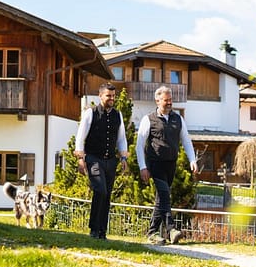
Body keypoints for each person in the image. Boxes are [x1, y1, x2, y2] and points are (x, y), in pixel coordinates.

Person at [136, 85, 198, 244]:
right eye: (166, 100)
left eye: (171, 100)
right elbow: (139, 144)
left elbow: (186, 139)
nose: (169, 102)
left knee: (161, 199)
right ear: (157, 100)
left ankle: (152, 232)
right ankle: (171, 229)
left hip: (171, 164)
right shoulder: (148, 119)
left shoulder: (178, 119)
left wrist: (192, 160)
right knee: (164, 194)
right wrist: (143, 166)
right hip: (155, 164)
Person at [74, 82, 129, 240]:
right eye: (108, 96)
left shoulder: (118, 115)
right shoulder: (91, 113)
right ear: (100, 96)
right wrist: (80, 159)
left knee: (107, 195)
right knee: (100, 190)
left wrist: (123, 157)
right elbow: (80, 137)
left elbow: (121, 139)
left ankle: (102, 231)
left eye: (113, 96)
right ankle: (93, 228)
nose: (111, 98)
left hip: (111, 161)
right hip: (93, 158)